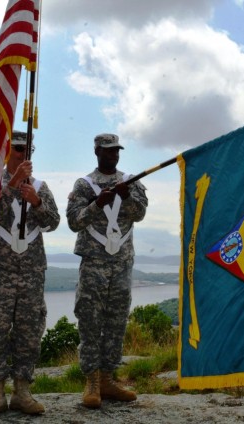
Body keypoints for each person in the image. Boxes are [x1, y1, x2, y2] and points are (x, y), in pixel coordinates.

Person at [0, 130, 60, 421]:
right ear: (6, 151)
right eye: (19, 149)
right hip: (0, 269)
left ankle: (22, 392)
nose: (25, 155)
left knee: (29, 333)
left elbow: (54, 222)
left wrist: (36, 202)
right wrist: (11, 185)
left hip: (32, 271)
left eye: (28, 150)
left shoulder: (40, 186)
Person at [66, 133, 148, 408]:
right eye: (109, 150)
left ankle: (108, 378)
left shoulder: (131, 181)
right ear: (97, 151)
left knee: (117, 321)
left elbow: (139, 214)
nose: (114, 155)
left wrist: (126, 197)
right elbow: (74, 222)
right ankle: (91, 380)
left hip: (122, 262)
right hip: (94, 262)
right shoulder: (83, 184)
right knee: (90, 320)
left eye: (117, 151)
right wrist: (97, 203)